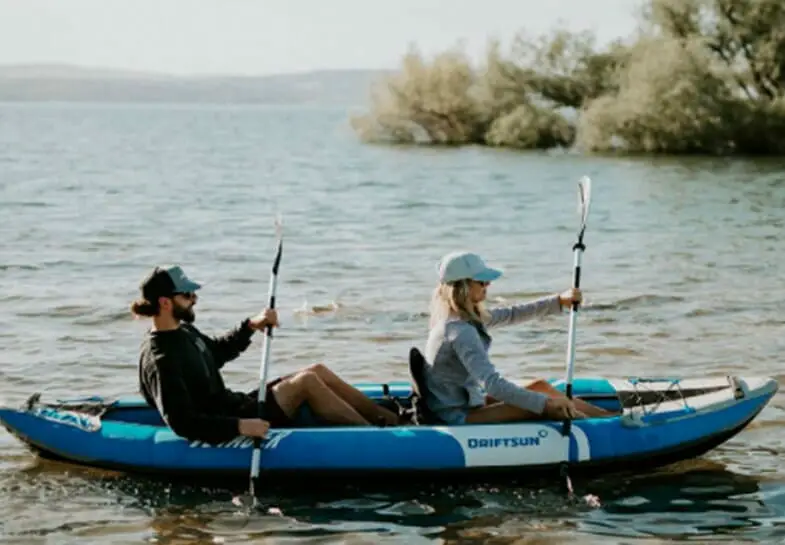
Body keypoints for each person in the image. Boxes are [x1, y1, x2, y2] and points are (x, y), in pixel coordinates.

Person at [131, 265, 400, 445]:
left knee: (316, 370)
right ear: (165, 303)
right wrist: (240, 427)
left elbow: (216, 353)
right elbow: (182, 422)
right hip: (228, 420)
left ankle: (392, 422)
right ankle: (377, 440)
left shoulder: (184, 332)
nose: (194, 299)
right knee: (305, 384)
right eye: (187, 295)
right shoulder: (160, 358)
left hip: (234, 405)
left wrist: (250, 326)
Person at [422, 251, 619, 426]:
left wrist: (559, 301)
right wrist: (546, 404)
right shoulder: (459, 331)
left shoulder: (464, 318)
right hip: (456, 415)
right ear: (463, 286)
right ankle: (604, 427)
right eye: (481, 281)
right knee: (541, 405)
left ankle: (610, 419)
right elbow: (493, 385)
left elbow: (513, 314)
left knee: (540, 386)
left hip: (469, 401)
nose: (488, 285)